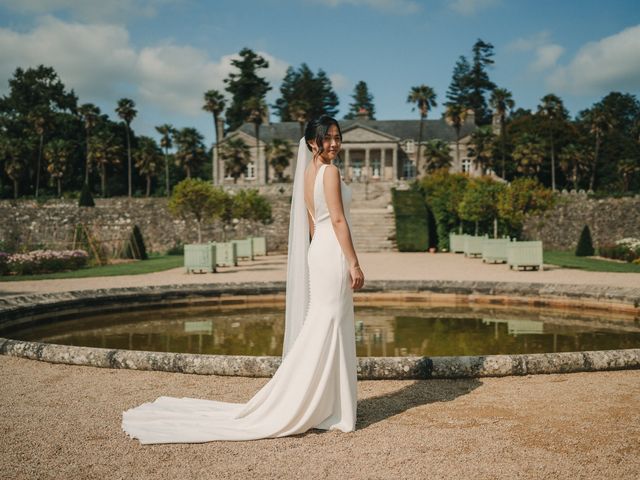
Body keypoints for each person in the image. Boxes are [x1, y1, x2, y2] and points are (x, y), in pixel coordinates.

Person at [121, 115, 365, 444]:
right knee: (330, 325)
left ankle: (320, 402)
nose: (334, 143)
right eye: (327, 138)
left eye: (337, 137)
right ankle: (328, 407)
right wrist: (353, 262)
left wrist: (317, 255)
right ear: (312, 143)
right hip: (332, 252)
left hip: (318, 251)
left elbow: (312, 223)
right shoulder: (331, 172)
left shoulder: (308, 174)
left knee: (322, 324)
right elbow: (336, 219)